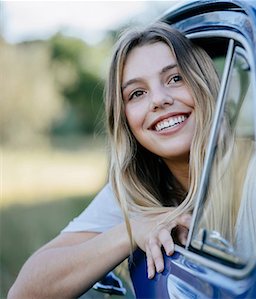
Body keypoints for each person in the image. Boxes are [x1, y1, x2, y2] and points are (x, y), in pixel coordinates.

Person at [8, 22, 226, 299]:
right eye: (137, 93)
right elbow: (25, 293)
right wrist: (133, 229)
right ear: (125, 122)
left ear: (205, 82)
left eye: (175, 78)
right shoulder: (134, 190)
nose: (158, 100)